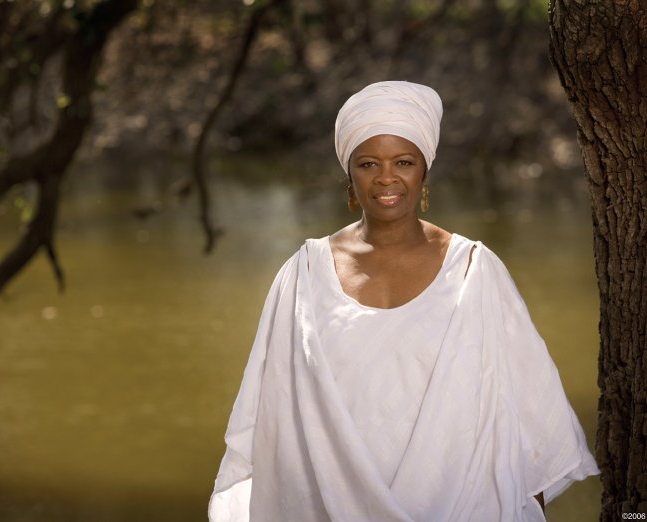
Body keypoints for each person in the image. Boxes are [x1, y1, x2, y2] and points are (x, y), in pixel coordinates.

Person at [208, 81, 599, 522]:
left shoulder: (474, 270)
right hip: (327, 504)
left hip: (459, 505)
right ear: (350, 173)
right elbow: (274, 411)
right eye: (369, 163)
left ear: (424, 170)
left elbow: (530, 408)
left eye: (404, 162)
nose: (387, 178)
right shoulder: (303, 274)